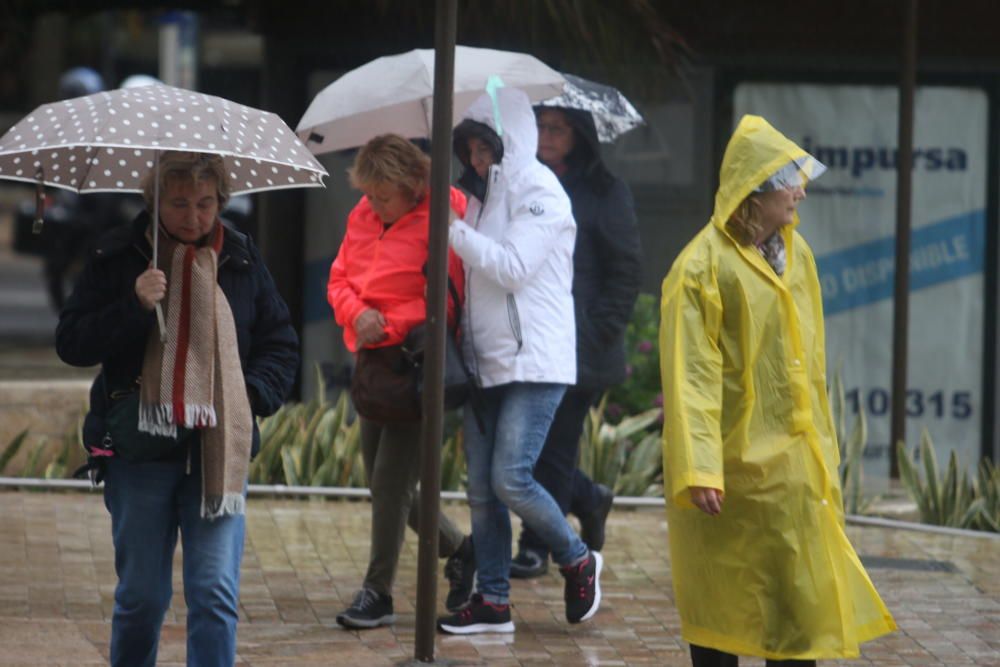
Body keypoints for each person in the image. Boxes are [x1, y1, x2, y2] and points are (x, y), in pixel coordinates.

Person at [659, 115, 896, 666]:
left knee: (799, 611)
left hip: (793, 469)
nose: (801, 191)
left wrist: (822, 451)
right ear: (755, 192)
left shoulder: (799, 256)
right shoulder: (700, 268)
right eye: (790, 180)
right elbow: (690, 374)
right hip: (732, 474)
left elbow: (809, 365)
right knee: (724, 607)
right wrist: (700, 468)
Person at [55, 151, 300, 666]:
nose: (193, 217)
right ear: (155, 200)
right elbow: (72, 342)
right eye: (180, 203)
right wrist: (134, 305)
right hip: (139, 452)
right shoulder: (120, 256)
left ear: (222, 202)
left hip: (216, 452)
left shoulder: (242, 257)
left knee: (213, 595)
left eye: (206, 204)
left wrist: (244, 396)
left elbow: (281, 345)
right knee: (143, 598)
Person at [436, 85, 602, 635]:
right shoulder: (479, 200)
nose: (476, 159)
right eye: (469, 149)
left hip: (536, 363)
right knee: (481, 492)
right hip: (484, 363)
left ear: (509, 142)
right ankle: (494, 603)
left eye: (485, 147)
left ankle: (576, 558)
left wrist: (452, 231)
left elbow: (511, 267)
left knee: (510, 479)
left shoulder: (542, 191)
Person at [326, 134, 476, 629]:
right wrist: (357, 312)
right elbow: (338, 280)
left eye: (383, 195)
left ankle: (378, 591)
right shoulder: (361, 217)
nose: (374, 204)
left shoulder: (442, 212)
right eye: (368, 194)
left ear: (413, 185)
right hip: (372, 362)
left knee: (391, 484)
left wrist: (386, 322)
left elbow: (447, 298)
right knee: (382, 484)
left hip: (418, 363)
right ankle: (462, 548)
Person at [508, 105, 642, 579]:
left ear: (579, 135)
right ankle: (587, 496)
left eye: (557, 128)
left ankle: (535, 545)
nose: (545, 135)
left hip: (580, 345)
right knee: (532, 447)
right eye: (540, 126)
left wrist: (595, 330)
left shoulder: (606, 192)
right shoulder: (521, 180)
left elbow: (625, 271)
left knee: (555, 446)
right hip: (530, 337)